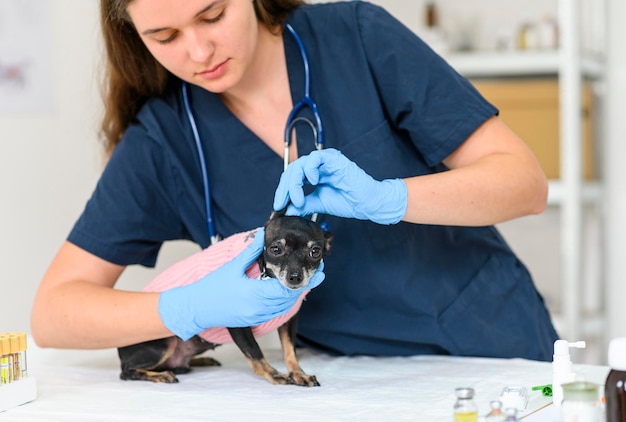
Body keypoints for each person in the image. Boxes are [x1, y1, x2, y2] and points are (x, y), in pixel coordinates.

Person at [31, 0, 558, 360]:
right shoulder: (165, 139)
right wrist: (187, 308)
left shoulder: (357, 37)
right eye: (163, 36)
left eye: (212, 14)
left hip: (489, 340)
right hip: (351, 381)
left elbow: (524, 183)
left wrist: (389, 198)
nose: (198, 52)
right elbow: (54, 313)